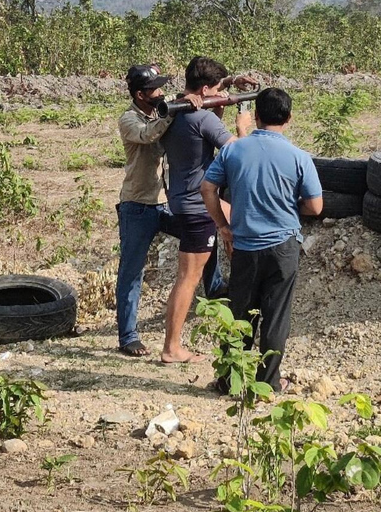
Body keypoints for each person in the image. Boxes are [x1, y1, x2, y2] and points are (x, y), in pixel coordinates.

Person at [201, 87, 323, 392]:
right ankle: (268, 383)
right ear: (289, 118)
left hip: (245, 246)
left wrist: (223, 226)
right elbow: (315, 206)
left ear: (255, 116)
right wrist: (287, 205)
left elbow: (207, 189)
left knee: (239, 314)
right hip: (284, 247)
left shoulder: (233, 150)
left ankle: (231, 380)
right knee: (276, 316)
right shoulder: (299, 157)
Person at [115, 64, 223, 357]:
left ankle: (215, 288)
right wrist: (173, 110)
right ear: (140, 95)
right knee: (132, 271)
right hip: (138, 204)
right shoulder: (130, 120)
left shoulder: (162, 108)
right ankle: (128, 337)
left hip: (166, 202)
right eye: (155, 89)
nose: (162, 92)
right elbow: (149, 135)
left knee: (203, 234)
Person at [159, 56, 253, 363]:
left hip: (182, 199)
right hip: (196, 205)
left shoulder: (178, 110)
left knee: (193, 270)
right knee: (188, 276)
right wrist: (243, 128)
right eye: (217, 90)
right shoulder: (202, 118)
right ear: (203, 90)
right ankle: (172, 347)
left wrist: (225, 90)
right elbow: (240, 155)